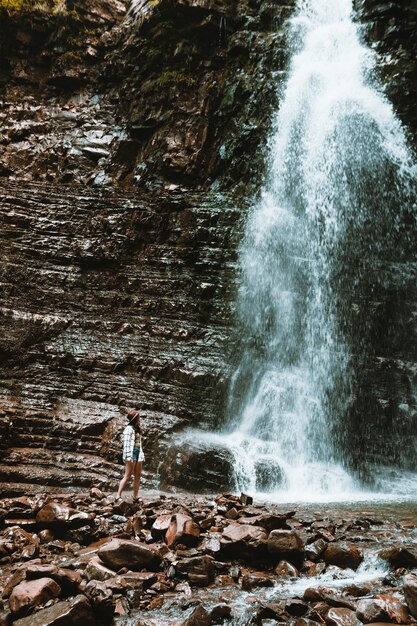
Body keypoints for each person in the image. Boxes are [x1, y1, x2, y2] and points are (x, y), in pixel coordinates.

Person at [117, 409, 145, 500]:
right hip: (131, 453)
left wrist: (142, 455)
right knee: (127, 475)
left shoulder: (137, 428)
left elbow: (139, 444)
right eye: (138, 416)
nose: (139, 418)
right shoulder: (128, 429)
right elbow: (126, 444)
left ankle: (135, 495)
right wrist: (128, 457)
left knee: (137, 476)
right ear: (135, 418)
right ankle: (118, 495)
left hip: (138, 453)